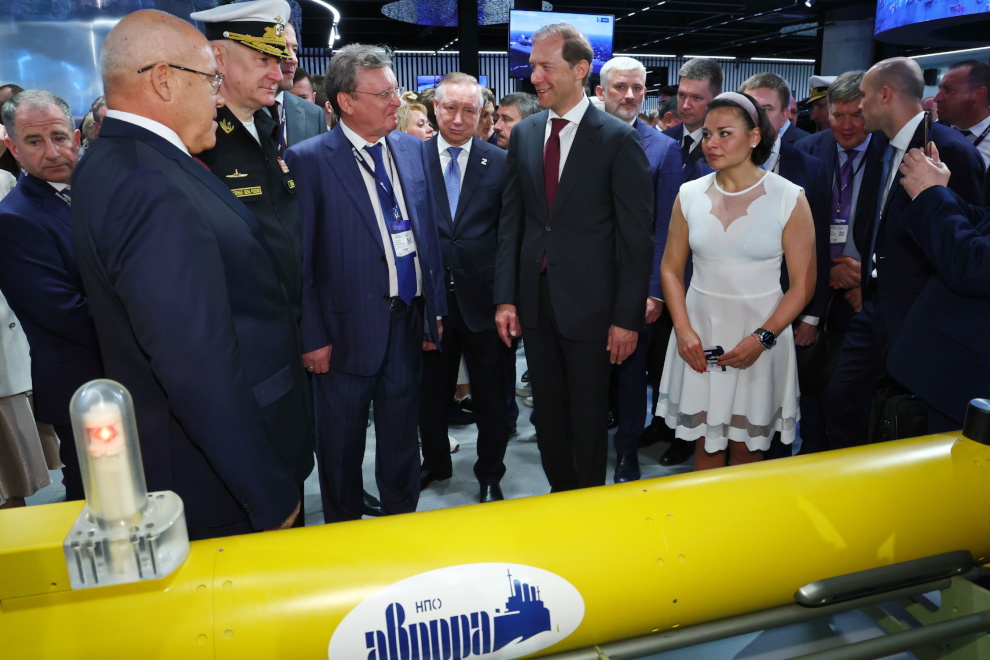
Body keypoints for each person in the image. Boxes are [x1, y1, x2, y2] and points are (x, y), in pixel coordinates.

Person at [72, 9, 313, 539]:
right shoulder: (150, 185)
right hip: (217, 478)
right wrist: (265, 493)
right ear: (163, 79)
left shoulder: (118, 160)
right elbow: (196, 365)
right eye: (210, 80)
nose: (218, 98)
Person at [285, 44, 446, 522]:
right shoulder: (309, 160)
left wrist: (433, 312)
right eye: (384, 95)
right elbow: (301, 259)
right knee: (340, 449)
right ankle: (345, 533)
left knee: (401, 444)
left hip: (406, 322)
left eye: (395, 91)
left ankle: (401, 527)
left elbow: (427, 235)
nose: (397, 102)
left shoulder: (413, 149)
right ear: (346, 101)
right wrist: (311, 336)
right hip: (341, 334)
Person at [494, 24, 653, 492]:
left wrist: (626, 318)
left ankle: (587, 506)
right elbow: (512, 223)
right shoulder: (525, 135)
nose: (534, 77)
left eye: (546, 67)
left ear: (580, 69)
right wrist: (506, 297)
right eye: (533, 67)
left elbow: (635, 238)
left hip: (593, 309)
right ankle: (558, 497)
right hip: (535, 304)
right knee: (547, 415)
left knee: (587, 417)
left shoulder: (617, 139)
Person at [821, 57, 984, 449]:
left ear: (885, 95)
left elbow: (966, 237)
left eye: (863, 96)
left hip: (921, 313)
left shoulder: (949, 149)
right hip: (878, 304)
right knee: (844, 403)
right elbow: (877, 219)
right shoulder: (883, 143)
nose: (858, 106)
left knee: (901, 420)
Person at [657, 92, 816, 470]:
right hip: (700, 332)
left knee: (748, 448)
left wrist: (763, 337)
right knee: (705, 443)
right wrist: (683, 330)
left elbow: (803, 285)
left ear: (754, 136)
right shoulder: (689, 194)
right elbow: (670, 269)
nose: (711, 143)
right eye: (707, 134)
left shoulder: (789, 197)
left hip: (761, 333)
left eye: (724, 133)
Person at [0, 89, 101, 501]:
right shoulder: (14, 220)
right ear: (14, 149)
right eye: (34, 141)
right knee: (101, 502)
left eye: (58, 137)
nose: (52, 151)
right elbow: (66, 314)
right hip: (84, 388)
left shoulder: (100, 192)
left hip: (131, 379)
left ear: (76, 138)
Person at [419, 72, 511, 502]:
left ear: (482, 114)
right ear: (435, 108)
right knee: (430, 394)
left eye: (469, 110)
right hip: (430, 301)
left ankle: (490, 473)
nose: (458, 119)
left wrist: (508, 299)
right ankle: (435, 462)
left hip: (486, 303)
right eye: (450, 108)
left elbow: (510, 236)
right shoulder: (411, 158)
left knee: (492, 397)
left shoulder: (501, 163)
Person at [595, 56, 681, 482]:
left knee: (631, 374)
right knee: (588, 373)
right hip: (585, 284)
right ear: (601, 92)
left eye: (637, 88)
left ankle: (627, 450)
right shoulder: (581, 140)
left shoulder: (663, 148)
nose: (629, 95)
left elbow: (665, 229)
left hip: (635, 285)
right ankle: (588, 448)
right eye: (620, 87)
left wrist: (653, 291)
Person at [794, 71, 889, 453]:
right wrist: (828, 269)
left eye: (857, 115)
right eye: (838, 115)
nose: (847, 126)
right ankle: (811, 453)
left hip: (865, 296)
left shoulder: (891, 153)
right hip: (811, 288)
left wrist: (866, 281)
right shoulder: (806, 151)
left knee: (846, 391)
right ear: (825, 111)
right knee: (808, 382)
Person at [890, 144, 990, 428]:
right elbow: (983, 224)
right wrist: (938, 191)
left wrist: (931, 194)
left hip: (971, 385)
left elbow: (972, 265)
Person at [663, 58, 721, 183]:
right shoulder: (662, 140)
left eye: (696, 98)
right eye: (681, 95)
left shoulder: (725, 148)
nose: (685, 105)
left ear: (715, 100)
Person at [272, 22, 327, 150]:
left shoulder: (314, 115)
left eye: (295, 50)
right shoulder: (241, 109)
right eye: (281, 48)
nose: (293, 59)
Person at [934, 60, 990, 169]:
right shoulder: (933, 131)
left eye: (949, 90)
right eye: (940, 89)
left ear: (979, 93)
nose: (937, 98)